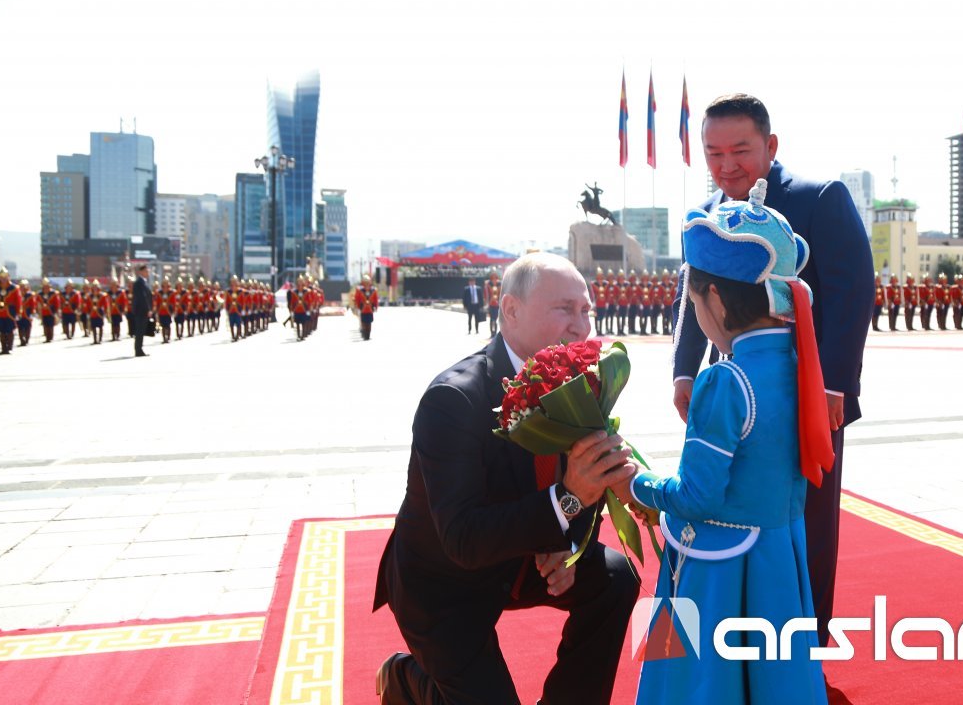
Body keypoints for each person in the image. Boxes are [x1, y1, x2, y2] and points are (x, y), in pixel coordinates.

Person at [374, 252, 639, 705]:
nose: (582, 326)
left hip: (521, 560)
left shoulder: (578, 381)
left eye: (586, 311)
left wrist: (570, 547)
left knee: (615, 578)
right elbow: (463, 538)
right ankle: (409, 679)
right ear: (511, 309)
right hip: (445, 583)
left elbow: (580, 488)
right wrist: (567, 500)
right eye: (564, 309)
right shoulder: (454, 399)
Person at [672, 94, 873, 651]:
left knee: (806, 522)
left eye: (741, 150)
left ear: (770, 146)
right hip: (733, 393)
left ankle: (806, 642)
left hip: (806, 394)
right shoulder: (708, 215)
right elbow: (692, 298)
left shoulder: (818, 199)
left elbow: (853, 290)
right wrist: (684, 372)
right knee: (737, 510)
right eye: (713, 153)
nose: (727, 165)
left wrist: (835, 383)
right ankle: (747, 637)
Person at [617, 180, 830, 703]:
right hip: (781, 556)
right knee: (777, 683)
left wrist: (636, 484)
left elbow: (696, 495)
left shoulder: (725, 380)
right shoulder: (800, 364)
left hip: (723, 572)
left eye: (694, 301)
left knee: (701, 685)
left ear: (713, 297)